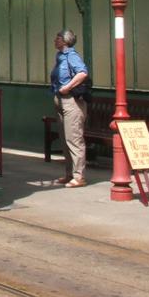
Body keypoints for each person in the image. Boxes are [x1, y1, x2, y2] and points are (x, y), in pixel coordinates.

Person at [51, 29, 89, 187]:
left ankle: (79, 176)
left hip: (71, 101)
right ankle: (69, 174)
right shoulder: (60, 57)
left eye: (58, 38)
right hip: (60, 100)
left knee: (74, 138)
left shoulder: (72, 56)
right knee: (65, 138)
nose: (55, 40)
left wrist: (67, 87)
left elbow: (82, 73)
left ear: (65, 41)